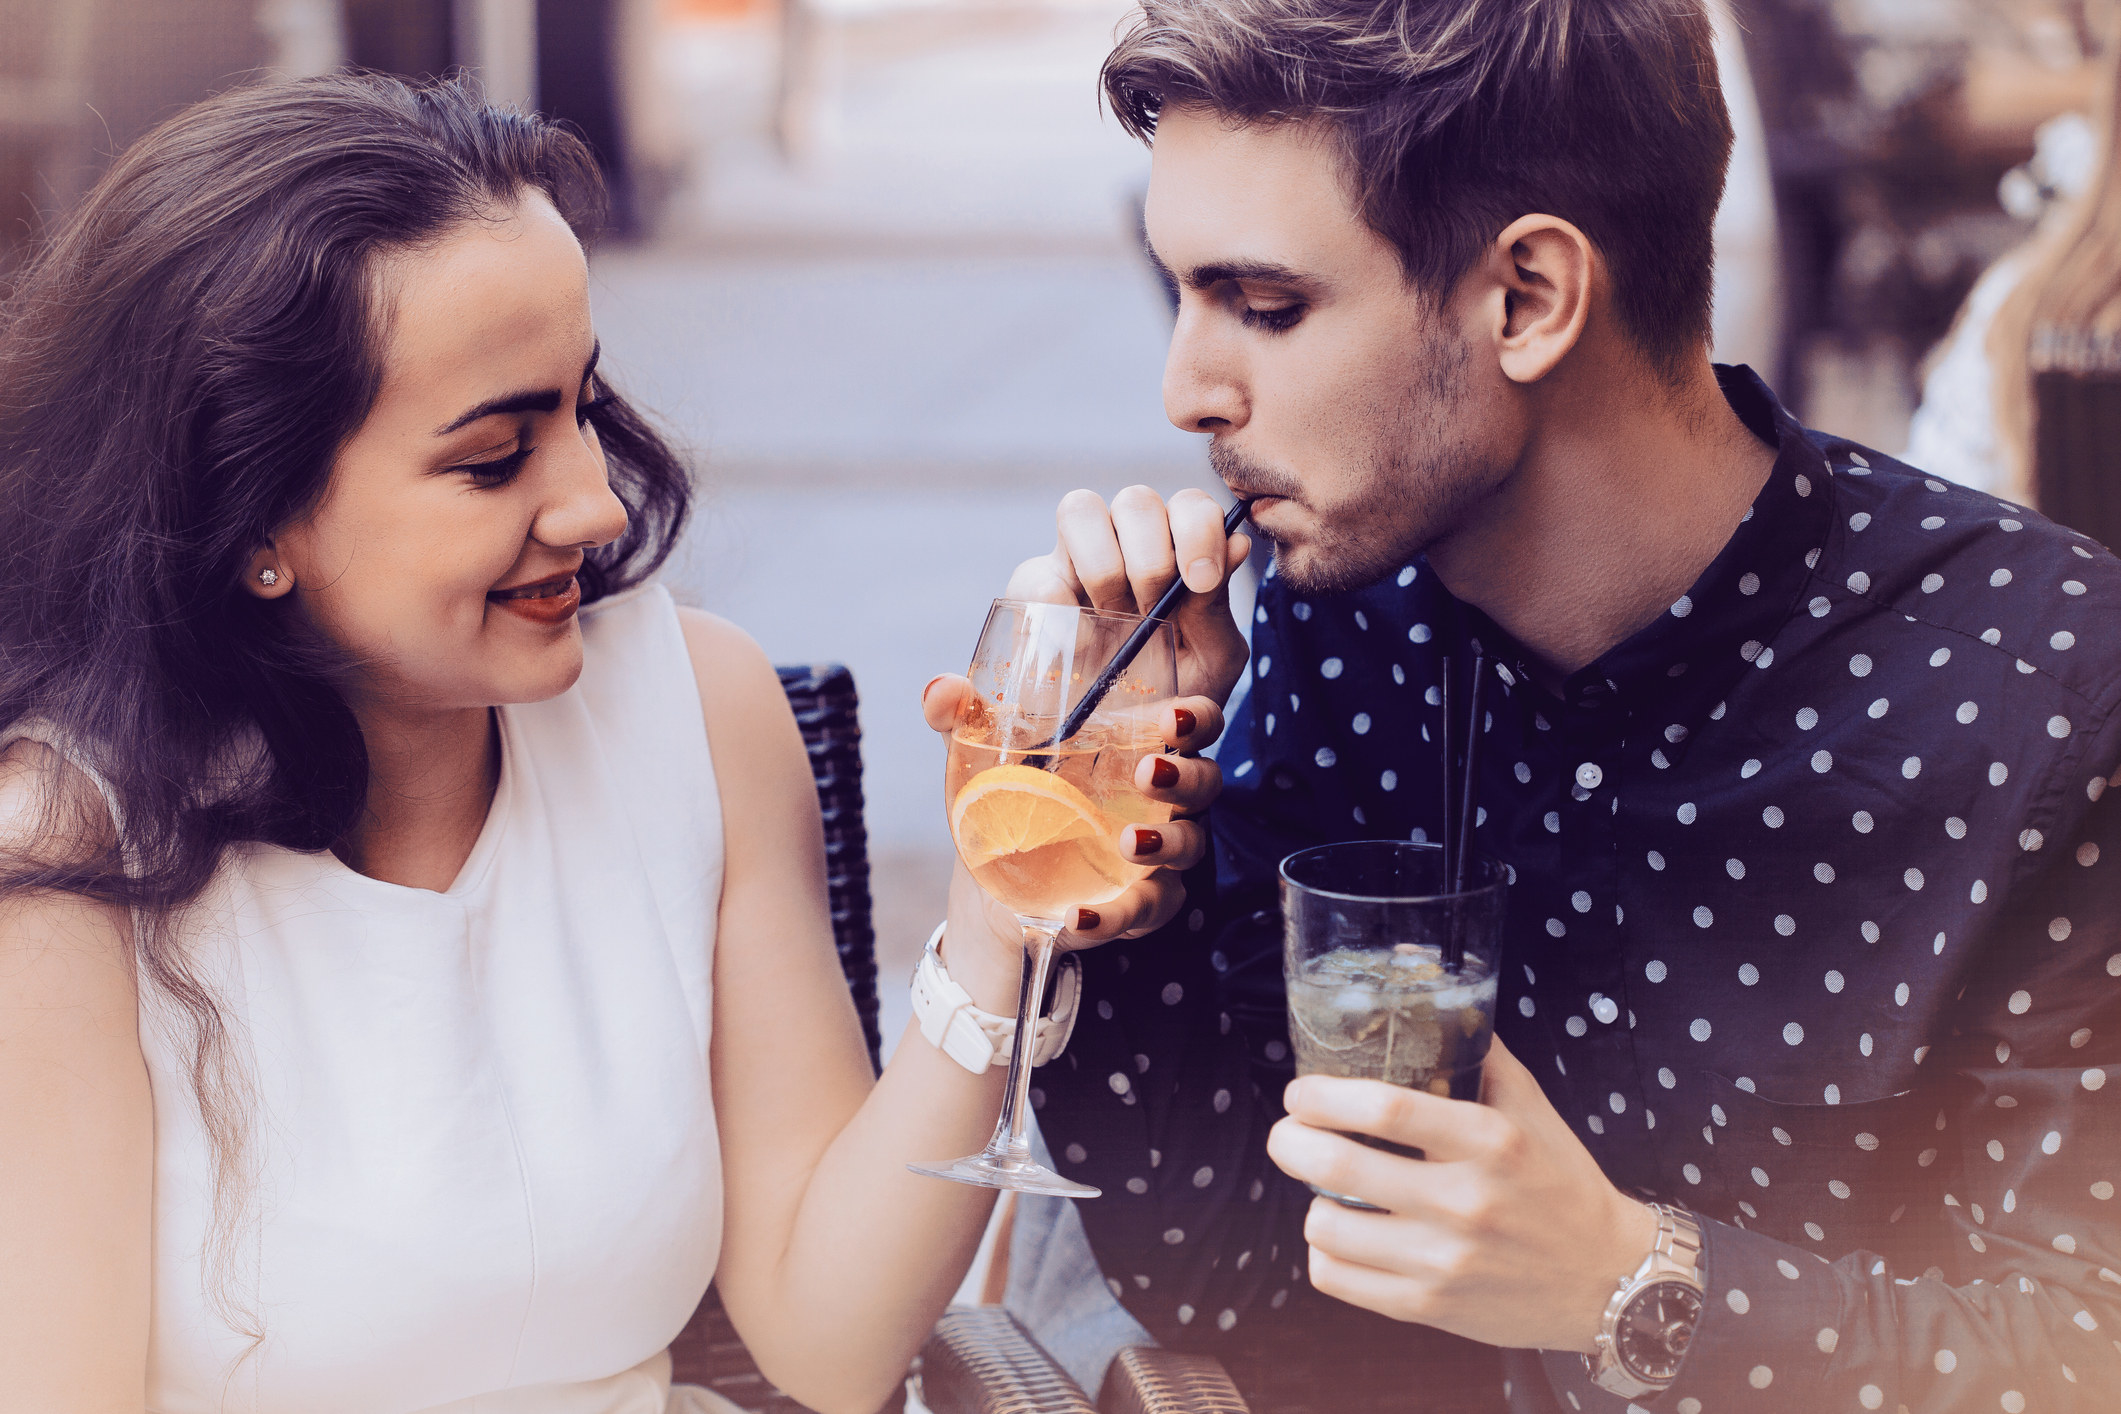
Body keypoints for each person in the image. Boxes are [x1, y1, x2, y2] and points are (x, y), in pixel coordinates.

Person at [925, 1, 2121, 1410]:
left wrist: (1630, 1281)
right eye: (1177, 293)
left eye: (1263, 306)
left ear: (1528, 299)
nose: (1184, 389)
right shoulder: (1341, 603)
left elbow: (2082, 1346)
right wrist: (1142, 890)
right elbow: (1237, 1276)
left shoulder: (2039, 687)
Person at [0, 75, 1219, 1414]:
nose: (591, 501)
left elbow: (831, 1336)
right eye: (490, 458)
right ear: (252, 522)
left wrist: (997, 928)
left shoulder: (697, 707)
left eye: (582, 404)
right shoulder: (69, 852)